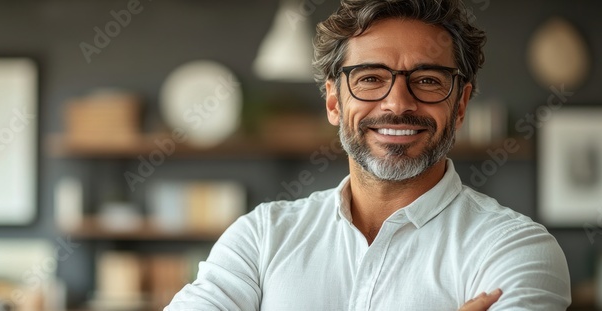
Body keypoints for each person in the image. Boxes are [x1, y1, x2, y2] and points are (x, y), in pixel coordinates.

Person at [166, 0, 571, 310]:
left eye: (427, 80)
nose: (397, 103)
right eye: (371, 78)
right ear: (333, 102)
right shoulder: (260, 238)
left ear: (460, 104)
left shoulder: (515, 251)